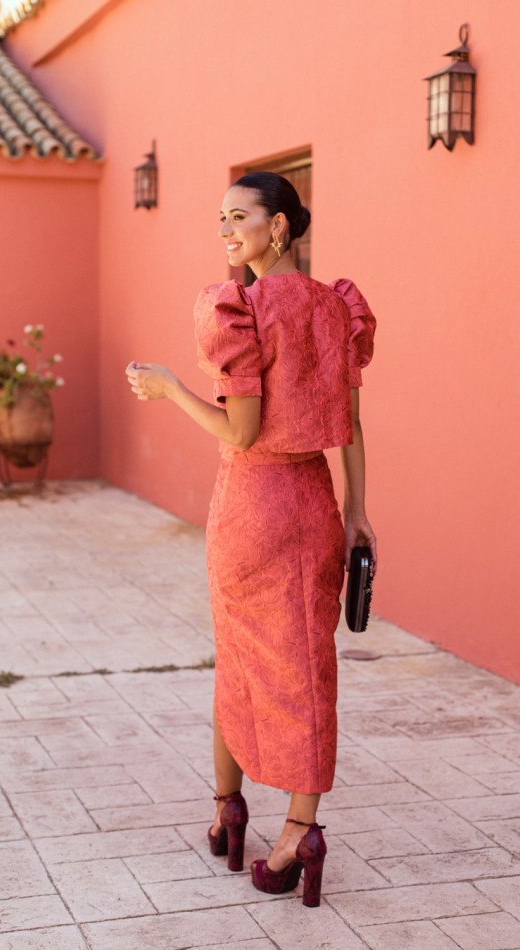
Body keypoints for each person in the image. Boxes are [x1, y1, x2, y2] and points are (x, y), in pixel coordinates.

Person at [125, 171, 377, 907]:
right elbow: (352, 426)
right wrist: (360, 510)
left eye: (240, 217)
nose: (227, 230)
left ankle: (228, 812)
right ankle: (300, 828)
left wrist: (171, 388)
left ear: (281, 227)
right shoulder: (338, 308)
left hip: (248, 505)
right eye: (221, 219)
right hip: (315, 501)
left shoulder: (236, 307)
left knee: (236, 658)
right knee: (307, 669)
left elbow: (239, 430)